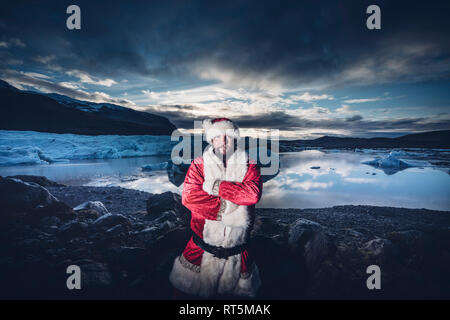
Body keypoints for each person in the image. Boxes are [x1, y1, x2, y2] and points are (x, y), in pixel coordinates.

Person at [169, 117, 263, 299]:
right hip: (200, 249)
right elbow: (190, 198)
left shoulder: (249, 164)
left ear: (235, 139)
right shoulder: (199, 165)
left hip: (238, 253)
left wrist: (216, 186)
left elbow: (252, 194)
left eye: (228, 137)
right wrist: (230, 207)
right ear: (211, 140)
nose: (224, 141)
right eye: (218, 137)